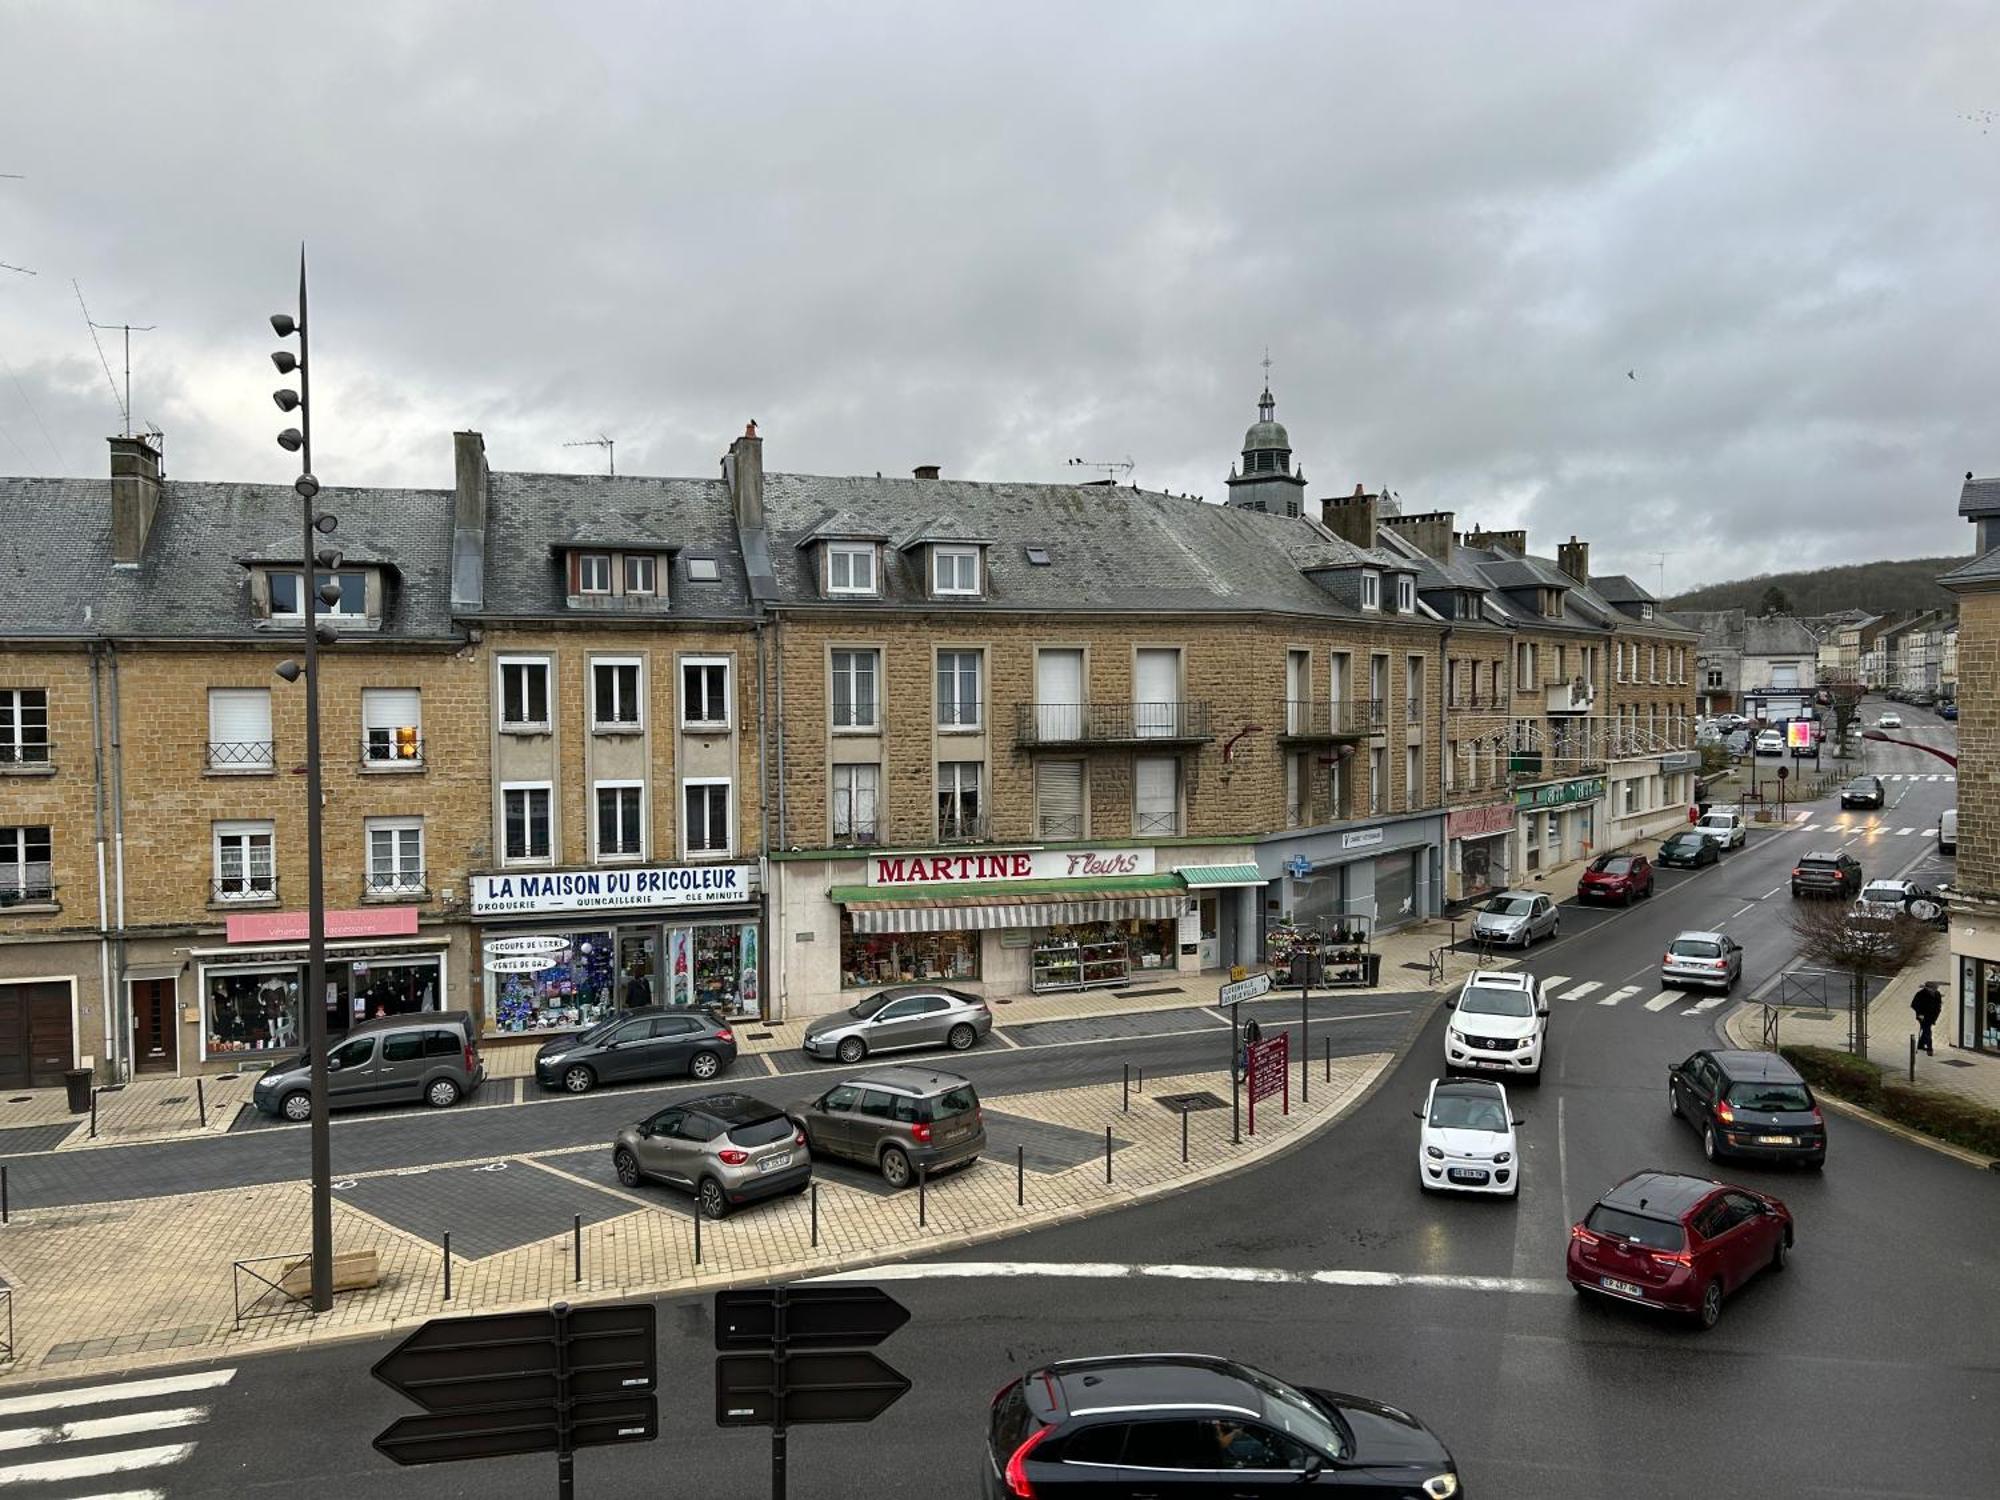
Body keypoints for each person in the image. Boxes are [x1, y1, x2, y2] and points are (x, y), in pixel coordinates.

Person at [1912, 979, 1943, 1056]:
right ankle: (1930, 1049)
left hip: (1932, 1016)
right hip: (1923, 1016)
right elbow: (1914, 1004)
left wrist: (1938, 1011)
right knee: (1928, 1031)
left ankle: (1920, 1045)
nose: (1935, 990)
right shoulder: (1920, 994)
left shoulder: (1937, 994)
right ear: (1927, 988)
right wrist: (1919, 1014)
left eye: (1935, 989)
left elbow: (1938, 1004)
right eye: (1933, 989)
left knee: (1926, 1030)